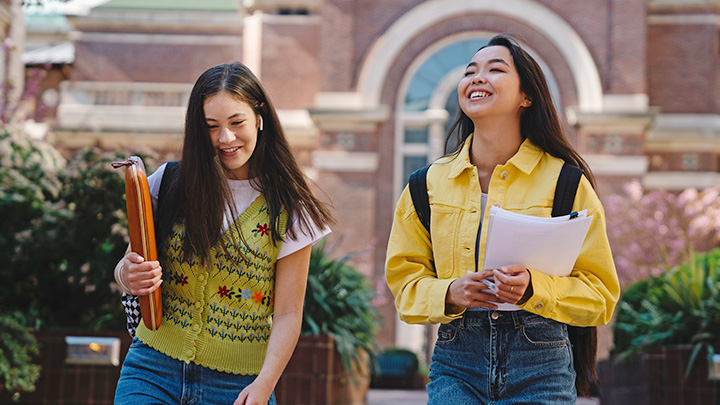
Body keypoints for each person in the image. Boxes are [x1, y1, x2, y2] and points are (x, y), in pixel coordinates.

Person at [385, 34, 620, 404]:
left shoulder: (566, 183)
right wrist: (450, 292)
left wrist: (533, 288)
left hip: (542, 363)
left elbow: (600, 296)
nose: (477, 78)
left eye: (495, 69)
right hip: (456, 363)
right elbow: (404, 285)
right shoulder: (425, 186)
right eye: (470, 72)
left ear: (527, 97)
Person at [113, 62, 333, 405]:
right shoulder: (167, 182)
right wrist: (129, 274)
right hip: (152, 369)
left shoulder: (289, 205)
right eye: (212, 126)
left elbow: (289, 313)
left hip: (238, 386)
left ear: (260, 117)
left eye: (236, 122)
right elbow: (127, 268)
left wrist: (264, 385)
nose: (225, 138)